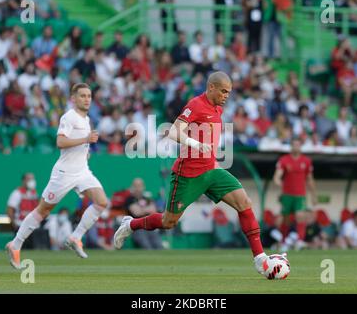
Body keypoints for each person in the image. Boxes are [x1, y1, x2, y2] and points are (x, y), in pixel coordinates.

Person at [114, 71, 280, 278]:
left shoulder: (217, 109)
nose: (226, 95)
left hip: (211, 170)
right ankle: (130, 224)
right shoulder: (195, 104)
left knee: (244, 203)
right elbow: (173, 131)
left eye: (229, 92)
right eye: (223, 91)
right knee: (168, 222)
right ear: (211, 87)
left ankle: (260, 258)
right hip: (188, 174)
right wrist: (195, 144)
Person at [5, 83, 109, 269]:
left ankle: (75, 237)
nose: (87, 99)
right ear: (73, 98)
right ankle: (15, 244)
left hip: (82, 170)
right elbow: (60, 141)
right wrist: (86, 140)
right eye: (83, 96)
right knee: (43, 210)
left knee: (101, 202)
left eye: (89, 96)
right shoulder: (69, 117)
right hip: (64, 173)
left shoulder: (86, 119)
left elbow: (77, 145)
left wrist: (85, 152)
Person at [273, 137, 317, 246]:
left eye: (298, 145)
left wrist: (313, 195)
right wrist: (279, 183)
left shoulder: (306, 161)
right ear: (291, 146)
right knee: (286, 219)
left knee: (300, 215)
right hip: (287, 195)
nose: (296, 147)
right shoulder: (284, 160)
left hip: (300, 195)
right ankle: (284, 240)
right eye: (294, 145)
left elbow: (310, 179)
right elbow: (277, 176)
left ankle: (300, 240)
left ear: (300, 146)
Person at [124, 178, 163, 249]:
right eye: (136, 186)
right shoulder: (129, 199)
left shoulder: (147, 198)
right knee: (146, 246)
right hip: (137, 229)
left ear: (143, 187)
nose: (138, 188)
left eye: (140, 186)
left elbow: (154, 210)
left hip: (150, 228)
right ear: (132, 187)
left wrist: (142, 209)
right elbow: (136, 213)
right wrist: (147, 209)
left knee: (159, 245)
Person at [6, 172, 40, 249]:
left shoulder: (34, 193)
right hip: (21, 225)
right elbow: (10, 209)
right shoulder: (17, 193)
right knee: (21, 249)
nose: (31, 181)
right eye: (29, 179)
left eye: (32, 179)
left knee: (33, 250)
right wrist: (14, 224)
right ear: (23, 181)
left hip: (33, 227)